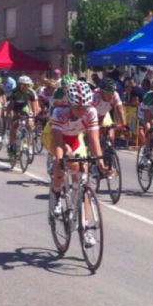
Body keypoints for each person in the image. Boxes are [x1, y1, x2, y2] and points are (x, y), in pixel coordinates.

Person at [47, 81, 110, 248]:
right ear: (70, 104)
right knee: (63, 162)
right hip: (56, 138)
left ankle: (86, 227)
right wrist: (61, 162)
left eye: (84, 107)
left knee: (83, 182)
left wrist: (101, 163)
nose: (82, 111)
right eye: (77, 108)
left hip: (75, 139)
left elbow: (94, 140)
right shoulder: (59, 112)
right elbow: (58, 142)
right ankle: (56, 193)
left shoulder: (91, 112)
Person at [6, 75, 40, 160]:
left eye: (27, 85)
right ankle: (11, 147)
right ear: (19, 85)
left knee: (29, 123)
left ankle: (29, 143)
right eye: (23, 85)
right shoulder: (15, 92)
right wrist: (10, 114)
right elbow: (11, 105)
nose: (25, 87)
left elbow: (33, 106)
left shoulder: (30, 92)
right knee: (14, 126)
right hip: (16, 107)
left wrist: (33, 116)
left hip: (25, 106)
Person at [92, 78, 127, 144]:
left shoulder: (115, 95)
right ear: (101, 92)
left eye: (112, 92)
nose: (111, 95)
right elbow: (89, 113)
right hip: (93, 116)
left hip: (104, 114)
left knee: (111, 137)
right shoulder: (95, 96)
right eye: (108, 93)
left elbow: (120, 109)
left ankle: (110, 149)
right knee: (94, 137)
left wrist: (124, 124)